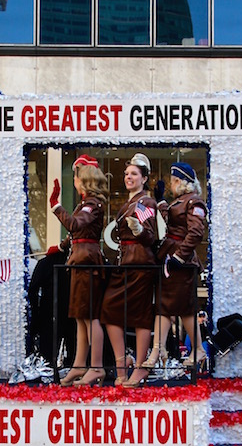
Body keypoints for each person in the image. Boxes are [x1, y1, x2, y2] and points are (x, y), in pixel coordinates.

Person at [135, 162, 208, 383]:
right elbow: (172, 218)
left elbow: (195, 232)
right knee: (164, 306)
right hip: (171, 257)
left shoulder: (194, 201)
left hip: (180, 262)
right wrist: (161, 201)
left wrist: (179, 257)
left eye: (175, 180)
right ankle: (158, 350)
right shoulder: (183, 201)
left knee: (183, 308)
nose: (173, 184)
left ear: (182, 182)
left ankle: (197, 350)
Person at [100, 153, 158, 387]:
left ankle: (140, 367)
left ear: (144, 178)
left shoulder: (145, 203)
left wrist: (138, 231)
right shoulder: (128, 203)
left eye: (134, 174)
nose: (128, 177)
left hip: (141, 264)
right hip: (126, 263)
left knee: (141, 316)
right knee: (109, 309)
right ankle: (122, 362)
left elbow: (150, 235)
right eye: (126, 174)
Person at [50, 154, 108, 386]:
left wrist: (55, 205)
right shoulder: (86, 204)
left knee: (90, 317)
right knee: (81, 318)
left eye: (76, 176)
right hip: (80, 260)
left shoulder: (92, 204)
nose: (73, 180)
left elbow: (75, 226)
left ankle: (96, 367)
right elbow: (78, 233)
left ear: (82, 179)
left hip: (86, 263)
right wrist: (61, 246)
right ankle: (79, 365)